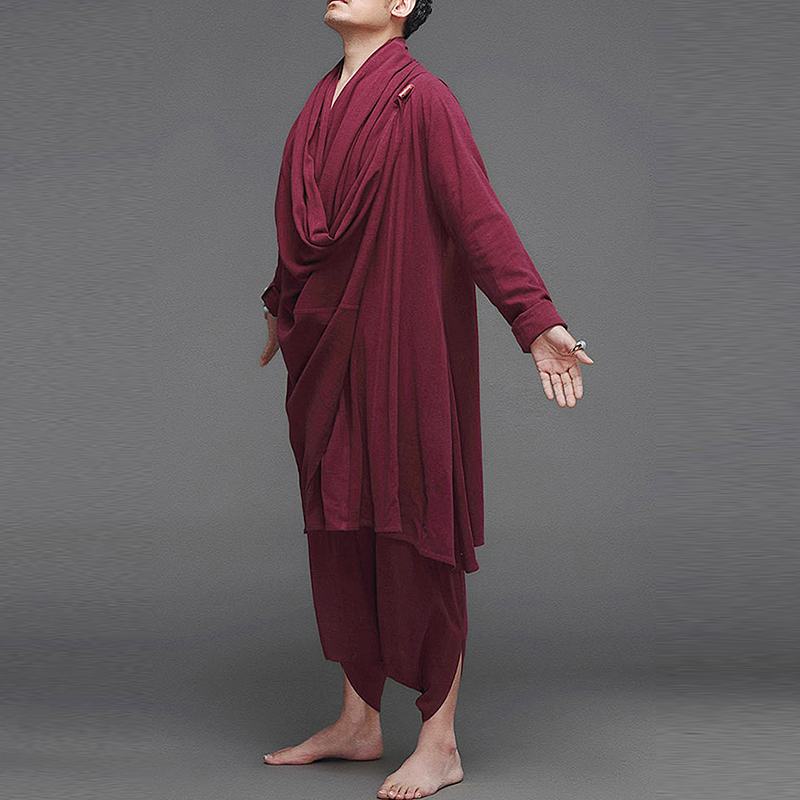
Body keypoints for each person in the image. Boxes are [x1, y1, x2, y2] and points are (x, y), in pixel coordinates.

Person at [258, 2, 593, 798]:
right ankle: (359, 721)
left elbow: (477, 217)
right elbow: (303, 230)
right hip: (324, 345)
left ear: (403, 3)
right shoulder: (319, 102)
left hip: (400, 342)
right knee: (338, 523)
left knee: (415, 521)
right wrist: (280, 307)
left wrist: (535, 319)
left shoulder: (424, 99)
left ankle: (440, 743)